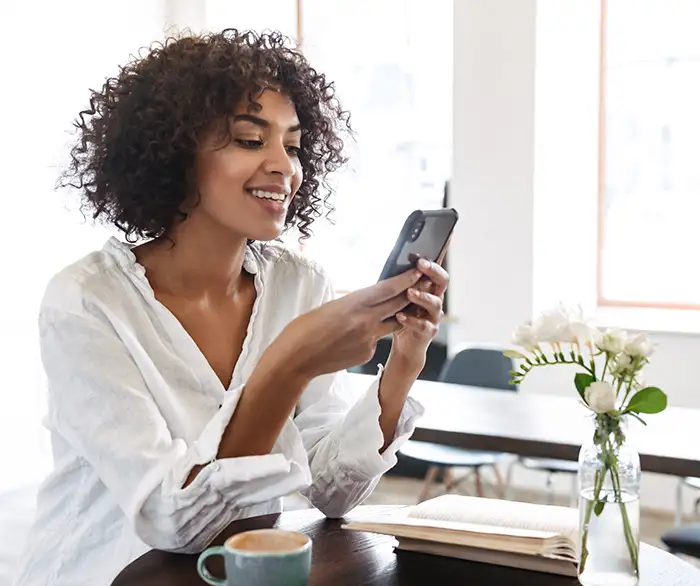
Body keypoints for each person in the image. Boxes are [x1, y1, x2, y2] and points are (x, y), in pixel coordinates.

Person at [13, 29, 449, 586]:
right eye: (249, 140)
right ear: (173, 153)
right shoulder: (87, 302)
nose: (284, 167)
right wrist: (288, 363)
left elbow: (333, 492)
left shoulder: (298, 285)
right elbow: (175, 523)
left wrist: (405, 361)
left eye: (292, 146)